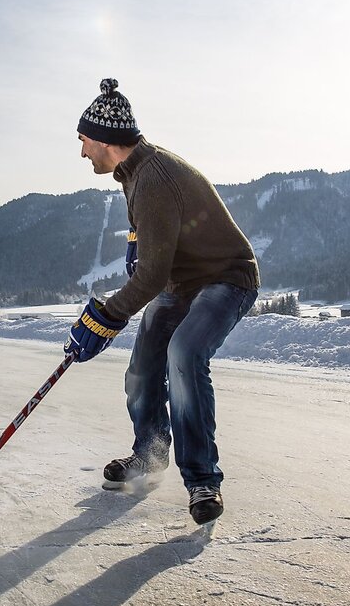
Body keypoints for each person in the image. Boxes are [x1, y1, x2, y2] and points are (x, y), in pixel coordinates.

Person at [64, 79, 260, 528]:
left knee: (184, 353)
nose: (81, 153)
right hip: (182, 283)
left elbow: (150, 277)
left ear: (104, 139)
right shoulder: (135, 173)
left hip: (225, 278)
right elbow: (152, 257)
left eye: (83, 141)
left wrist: (104, 318)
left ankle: (202, 479)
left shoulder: (152, 177)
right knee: (143, 367)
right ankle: (149, 455)